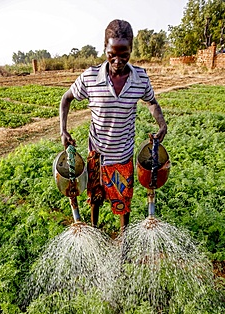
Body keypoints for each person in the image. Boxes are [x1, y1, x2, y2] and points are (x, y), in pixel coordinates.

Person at [59, 19, 167, 230]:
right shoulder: (90, 77)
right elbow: (66, 98)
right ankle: (94, 229)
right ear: (105, 49)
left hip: (122, 155)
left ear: (131, 50)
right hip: (97, 155)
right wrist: (63, 130)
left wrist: (161, 124)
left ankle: (123, 236)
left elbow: (152, 102)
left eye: (124, 54)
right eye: (112, 54)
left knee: (123, 202)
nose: (117, 60)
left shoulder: (140, 78)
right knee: (96, 198)